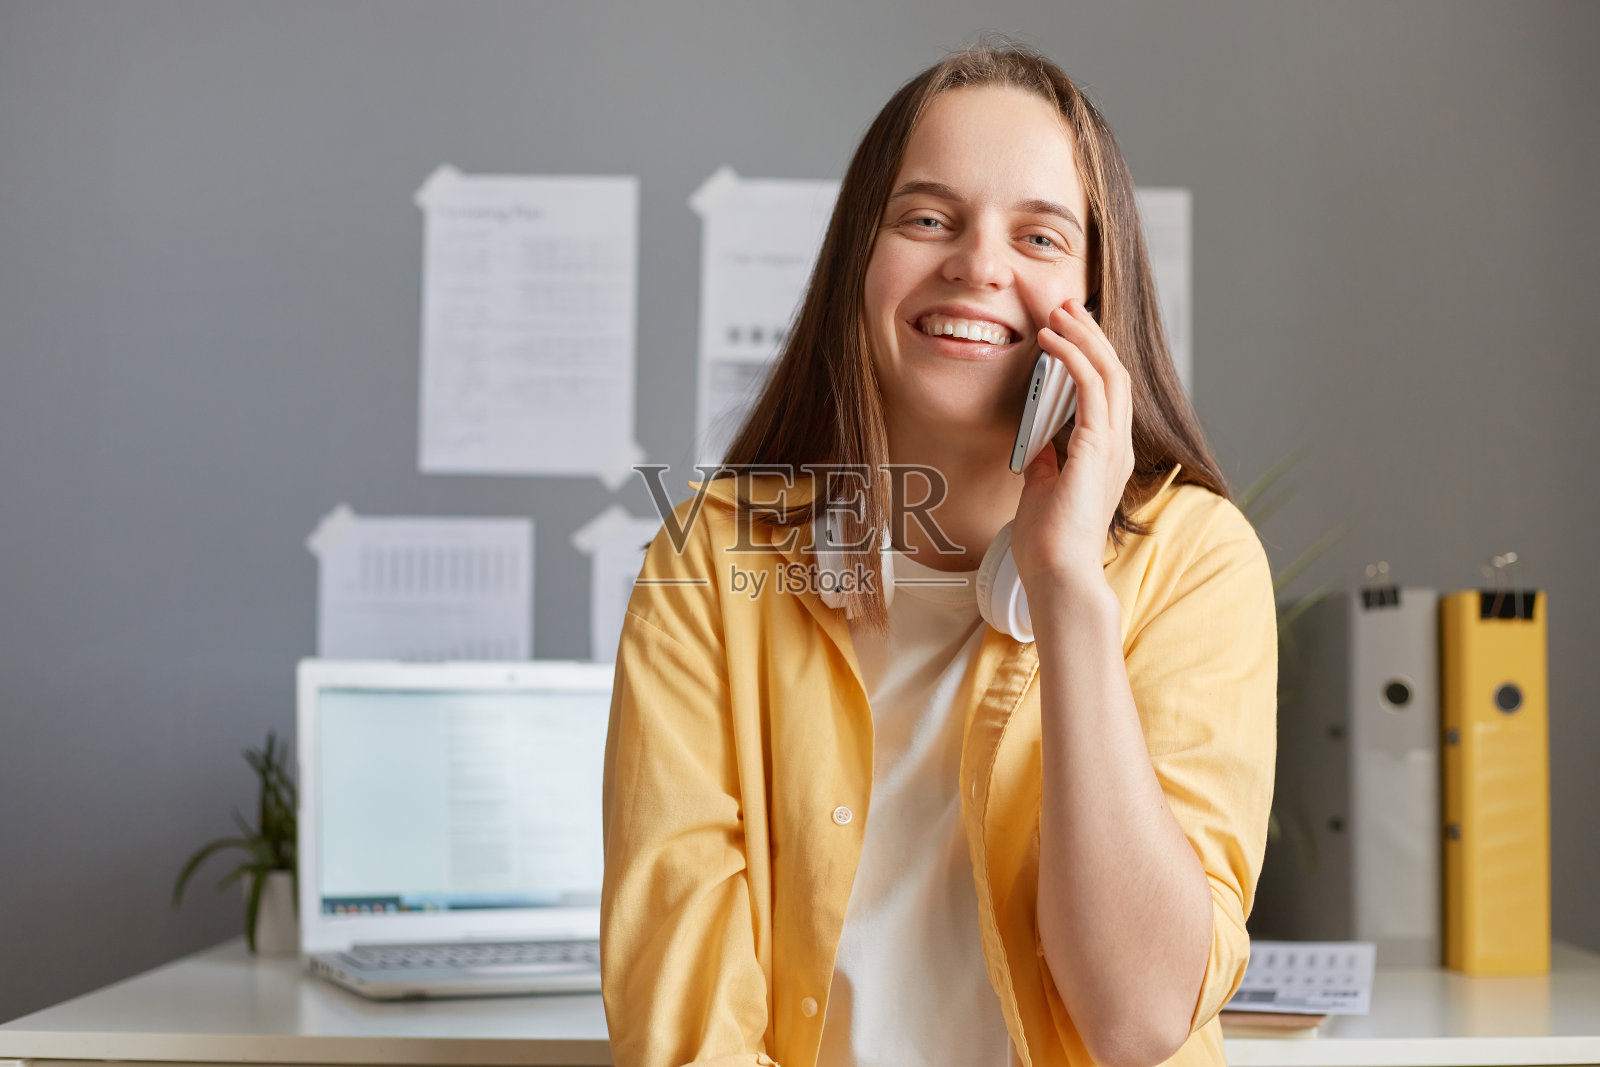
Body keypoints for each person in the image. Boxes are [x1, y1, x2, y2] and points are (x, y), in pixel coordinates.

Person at [601, 41, 1276, 1067]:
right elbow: (686, 1024)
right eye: (926, 218)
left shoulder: (1197, 559)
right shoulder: (710, 562)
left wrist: (1067, 589)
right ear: (857, 263)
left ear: (1098, 300)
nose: (978, 266)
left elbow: (1138, 1019)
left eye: (1040, 236)